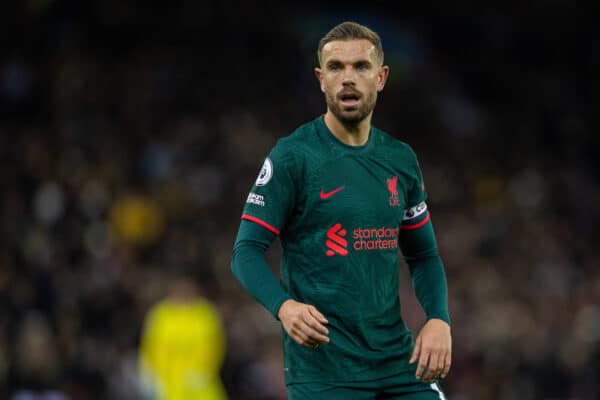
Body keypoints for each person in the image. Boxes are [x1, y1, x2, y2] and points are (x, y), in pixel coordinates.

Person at [231, 21, 451, 399]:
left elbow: (424, 253)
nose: (348, 78)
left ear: (381, 77)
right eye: (336, 67)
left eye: (360, 67)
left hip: (397, 363)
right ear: (321, 78)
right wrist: (284, 308)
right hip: (325, 373)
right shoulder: (293, 156)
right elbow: (244, 252)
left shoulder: (400, 159)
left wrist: (438, 319)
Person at [138, 269, 227, 400]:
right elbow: (150, 345)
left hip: (200, 383)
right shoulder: (160, 314)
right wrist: (148, 374)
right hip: (166, 384)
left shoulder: (206, 313)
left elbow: (215, 346)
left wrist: (204, 372)